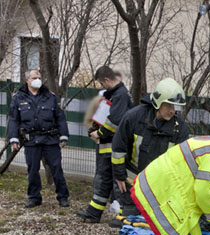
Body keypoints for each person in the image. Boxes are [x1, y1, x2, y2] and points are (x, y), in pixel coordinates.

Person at [111, 77, 190, 216]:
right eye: (169, 106)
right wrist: (119, 175)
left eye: (175, 107)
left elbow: (181, 162)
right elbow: (118, 148)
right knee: (127, 222)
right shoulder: (134, 117)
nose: (173, 111)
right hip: (131, 182)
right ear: (158, 103)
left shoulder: (180, 129)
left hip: (160, 187)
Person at [76, 66, 132, 223]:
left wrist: (99, 134)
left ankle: (122, 217)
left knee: (118, 183)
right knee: (102, 180)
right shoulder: (115, 95)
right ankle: (94, 212)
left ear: (107, 80)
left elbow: (115, 121)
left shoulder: (120, 95)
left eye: (101, 83)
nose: (101, 87)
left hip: (115, 146)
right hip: (108, 146)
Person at [7, 69, 70, 208]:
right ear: (27, 80)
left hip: (50, 139)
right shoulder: (19, 98)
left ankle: (63, 197)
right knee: (32, 170)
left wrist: (63, 135)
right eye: (34, 77)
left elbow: (60, 117)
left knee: (56, 169)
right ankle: (34, 197)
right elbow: (13, 120)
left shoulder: (50, 96)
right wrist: (13, 138)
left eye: (39, 77)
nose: (38, 80)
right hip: (31, 140)